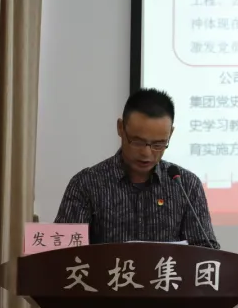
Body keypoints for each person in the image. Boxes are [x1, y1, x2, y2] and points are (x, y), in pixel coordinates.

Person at [54, 88, 220, 248]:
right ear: (120, 128)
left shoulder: (186, 185)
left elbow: (206, 254)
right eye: (138, 142)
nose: (146, 153)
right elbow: (63, 253)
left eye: (158, 144)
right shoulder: (87, 184)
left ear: (170, 134)